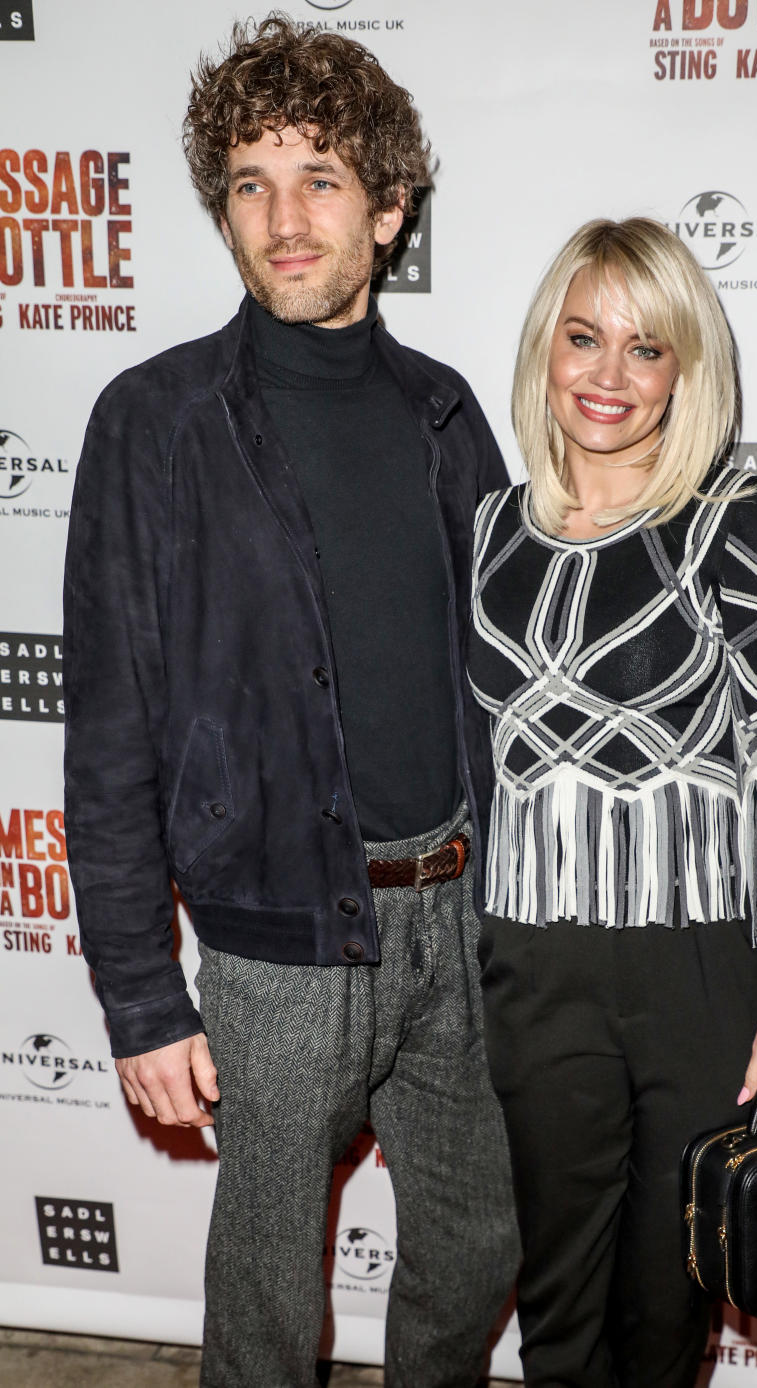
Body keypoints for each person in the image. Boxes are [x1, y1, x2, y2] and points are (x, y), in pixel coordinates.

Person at [62, 14, 517, 1387]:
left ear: (387, 207)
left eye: (321, 177)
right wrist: (142, 997)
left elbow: (506, 677)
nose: (285, 216)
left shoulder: (446, 413)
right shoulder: (155, 421)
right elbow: (110, 731)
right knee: (266, 1300)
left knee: (480, 1242)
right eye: (251, 184)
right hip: (273, 941)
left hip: (460, 904)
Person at [468, 217, 757, 1388]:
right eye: (583, 338)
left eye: (645, 347)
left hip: (698, 965)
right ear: (546, 349)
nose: (608, 376)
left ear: (688, 366)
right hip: (531, 959)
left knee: (668, 1295)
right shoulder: (486, 531)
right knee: (556, 1292)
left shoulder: (740, 521)